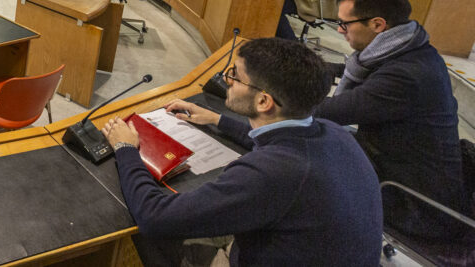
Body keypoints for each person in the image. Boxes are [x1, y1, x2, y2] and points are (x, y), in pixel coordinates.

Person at [103, 38, 382, 267]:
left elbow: (154, 218)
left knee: (137, 233)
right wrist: (217, 120)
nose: (227, 80)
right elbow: (280, 142)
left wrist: (125, 148)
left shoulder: (271, 173)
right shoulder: (332, 132)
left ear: (263, 101)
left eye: (235, 76)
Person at [315, 0, 466, 238]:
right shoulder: (412, 48)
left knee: (298, 158)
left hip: (410, 202)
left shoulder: (407, 75)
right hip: (394, 168)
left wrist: (269, 96)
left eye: (344, 24)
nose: (340, 30)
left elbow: (331, 112)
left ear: (377, 24)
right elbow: (363, 75)